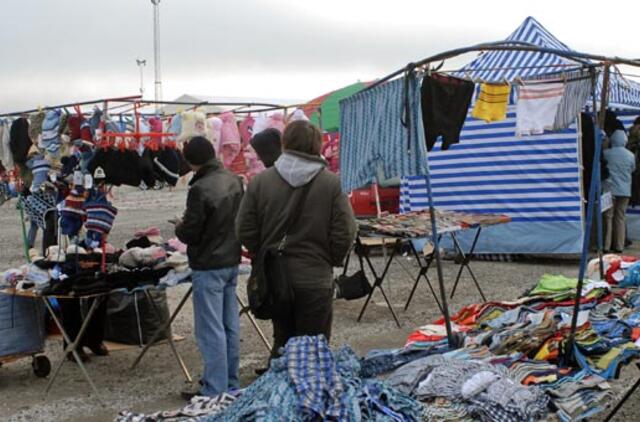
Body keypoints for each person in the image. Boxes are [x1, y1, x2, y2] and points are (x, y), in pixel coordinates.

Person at [236, 120, 356, 358]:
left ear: (286, 143)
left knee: (282, 342)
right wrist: (330, 259)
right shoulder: (331, 183)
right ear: (316, 145)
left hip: (275, 279)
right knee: (314, 354)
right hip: (315, 278)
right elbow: (346, 231)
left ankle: (279, 391)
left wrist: (263, 253)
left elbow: (243, 227)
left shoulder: (261, 182)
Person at [173, 136, 243, 398]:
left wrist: (179, 226)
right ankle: (230, 384)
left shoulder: (199, 189)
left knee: (211, 330)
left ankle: (214, 390)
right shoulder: (234, 180)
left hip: (208, 264)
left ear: (191, 161)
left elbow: (190, 233)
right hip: (231, 260)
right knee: (229, 326)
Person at [603, 129, 636, 253]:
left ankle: (606, 245)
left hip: (609, 190)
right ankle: (619, 245)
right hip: (625, 190)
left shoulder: (606, 153)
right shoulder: (630, 155)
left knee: (608, 217)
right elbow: (632, 170)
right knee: (620, 217)